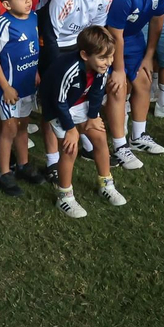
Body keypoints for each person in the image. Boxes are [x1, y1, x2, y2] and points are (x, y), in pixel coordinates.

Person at [41, 25, 126, 216]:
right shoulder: (68, 69)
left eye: (111, 57)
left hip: (79, 101)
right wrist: (71, 129)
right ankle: (65, 197)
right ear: (85, 55)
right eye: (103, 58)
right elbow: (58, 101)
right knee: (70, 149)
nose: (108, 62)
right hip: (56, 106)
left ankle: (106, 184)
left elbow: (96, 92)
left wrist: (93, 116)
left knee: (100, 138)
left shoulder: (101, 66)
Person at [105, 0, 164, 169]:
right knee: (118, 88)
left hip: (133, 38)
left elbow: (157, 21)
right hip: (109, 41)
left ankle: (138, 136)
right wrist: (119, 70)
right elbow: (114, 36)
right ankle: (119, 146)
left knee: (143, 82)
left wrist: (148, 55)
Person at [0, 0, 46, 196]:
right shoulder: (3, 23)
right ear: (8, 4)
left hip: (27, 85)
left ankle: (23, 165)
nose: (28, 1)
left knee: (23, 126)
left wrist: (36, 72)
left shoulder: (33, 17)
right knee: (9, 129)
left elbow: (33, 48)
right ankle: (4, 173)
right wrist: (5, 87)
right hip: (10, 89)